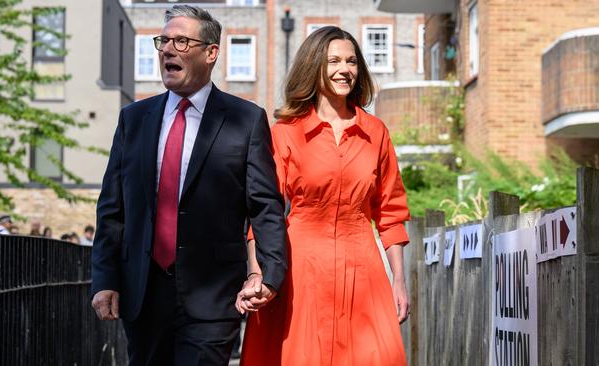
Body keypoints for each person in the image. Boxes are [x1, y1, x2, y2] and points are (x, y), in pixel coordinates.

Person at [91, 5, 287, 365]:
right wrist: (105, 278)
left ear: (211, 52)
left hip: (212, 298)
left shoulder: (245, 119)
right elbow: (112, 208)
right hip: (143, 296)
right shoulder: (133, 120)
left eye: (181, 41)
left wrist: (269, 276)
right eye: (163, 41)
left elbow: (265, 206)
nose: (167, 49)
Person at [237, 26, 411, 365]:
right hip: (300, 268)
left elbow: (390, 212)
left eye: (351, 61)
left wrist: (399, 281)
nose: (343, 70)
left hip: (364, 268)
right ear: (314, 66)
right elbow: (263, 213)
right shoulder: (285, 134)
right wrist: (258, 274)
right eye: (333, 61)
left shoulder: (376, 133)